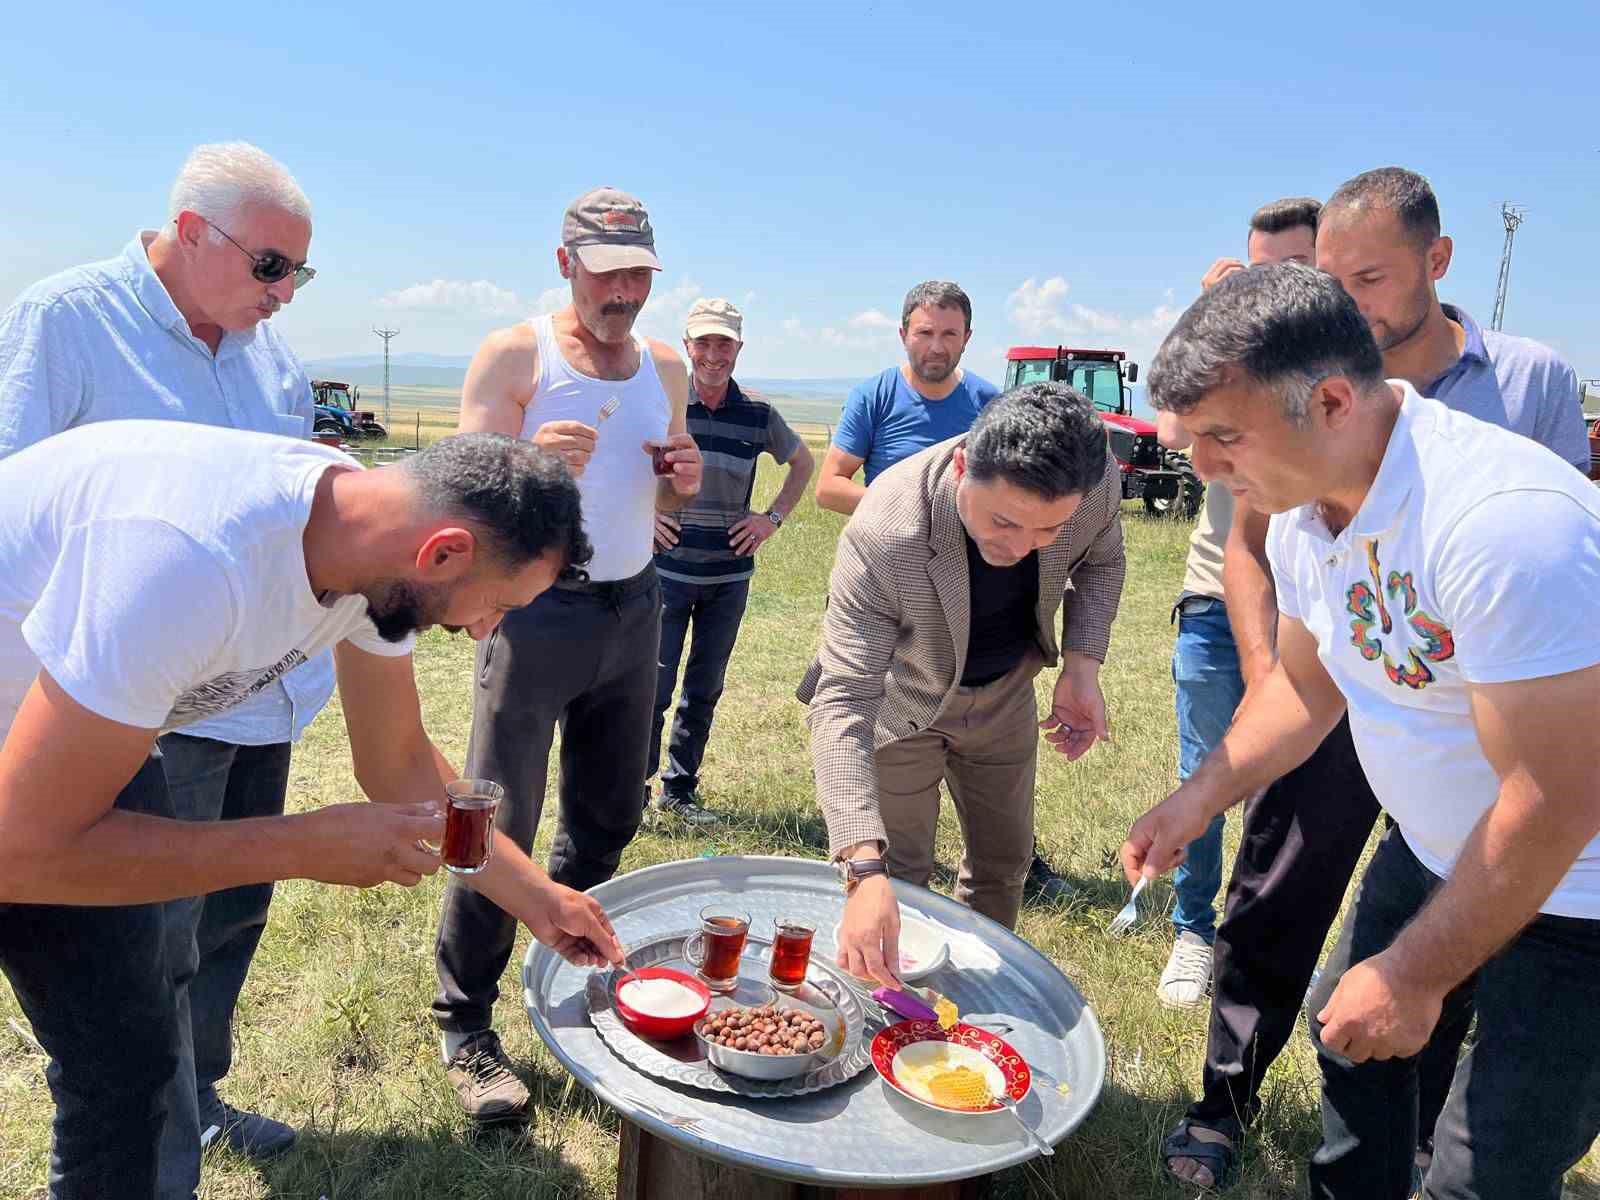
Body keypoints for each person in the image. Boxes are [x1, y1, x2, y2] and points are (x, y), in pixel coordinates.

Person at [0, 424, 624, 1200]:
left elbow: (395, 764)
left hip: (70, 735)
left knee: (129, 1055)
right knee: (118, 1059)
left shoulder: (371, 539)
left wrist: (538, 897)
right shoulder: (189, 558)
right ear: (444, 554)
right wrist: (300, 845)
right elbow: (20, 850)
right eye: (497, 604)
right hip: (21, 794)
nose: (483, 630)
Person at [1125, 261, 1600, 1200]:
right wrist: (1195, 800)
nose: (1207, 469)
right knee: (1352, 1049)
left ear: (1333, 399)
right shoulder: (1309, 511)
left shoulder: (1502, 525)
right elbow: (1307, 688)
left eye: (1225, 437)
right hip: (1436, 848)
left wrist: (1417, 973)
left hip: (1579, 895)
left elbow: (1559, 801)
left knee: (1487, 1171)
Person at [0, 140, 336, 1187]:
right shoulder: (66, 321)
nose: (284, 293)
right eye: (270, 266)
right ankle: (154, 1124)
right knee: (147, 937)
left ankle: (196, 1097)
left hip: (259, 697)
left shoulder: (268, 354)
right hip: (132, 709)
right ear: (191, 232)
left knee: (232, 906)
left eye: (298, 273)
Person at [431, 186, 702, 1122]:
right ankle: (465, 1025)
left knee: (608, 814)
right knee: (491, 823)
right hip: (534, 615)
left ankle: (569, 983)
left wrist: (684, 483)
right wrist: (528, 459)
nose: (625, 292)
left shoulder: (664, 366)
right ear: (565, 265)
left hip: (634, 611)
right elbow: (458, 500)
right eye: (608, 273)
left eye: (639, 275)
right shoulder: (517, 355)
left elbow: (661, 502)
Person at [801, 382, 1125, 988]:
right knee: (900, 874)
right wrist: (863, 873)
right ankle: (892, 1015)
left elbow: (1103, 560)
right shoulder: (887, 528)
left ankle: (977, 999)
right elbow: (843, 698)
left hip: (1006, 693)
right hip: (901, 704)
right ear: (961, 466)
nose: (1021, 547)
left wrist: (1082, 664)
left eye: (1048, 530)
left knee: (1005, 863)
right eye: (1004, 521)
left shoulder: (1094, 477)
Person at [814, 281, 1072, 901]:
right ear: (904, 332)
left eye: (949, 333)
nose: (936, 345)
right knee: (900, 845)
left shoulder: (991, 402)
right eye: (925, 332)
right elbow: (829, 486)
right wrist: (912, 511)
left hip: (989, 606)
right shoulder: (875, 397)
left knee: (999, 852)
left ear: (967, 339)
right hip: (898, 590)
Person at [1156, 196, 1321, 1009]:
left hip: (1315, 604)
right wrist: (1204, 314)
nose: (1272, 285)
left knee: (1293, 782)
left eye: (1292, 267)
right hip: (1217, 590)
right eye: (1257, 270)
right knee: (1207, 765)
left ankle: (1258, 936)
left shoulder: (1336, 367)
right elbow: (1168, 434)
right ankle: (1193, 932)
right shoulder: (1223, 350)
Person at [648, 298, 814, 825]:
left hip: (728, 577)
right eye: (705, 343)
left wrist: (771, 519)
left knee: (704, 686)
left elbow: (802, 462)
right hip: (668, 572)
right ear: (687, 346)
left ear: (738, 348)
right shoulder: (665, 405)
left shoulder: (758, 414)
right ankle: (632, 794)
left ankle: (679, 791)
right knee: (652, 685)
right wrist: (642, 517)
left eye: (725, 344)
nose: (714, 355)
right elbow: (624, 463)